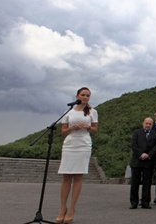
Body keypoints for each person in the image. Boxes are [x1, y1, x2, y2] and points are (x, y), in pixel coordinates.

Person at [57, 87, 99, 224]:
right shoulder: (68, 111)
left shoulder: (93, 112)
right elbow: (63, 131)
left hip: (84, 145)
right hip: (70, 145)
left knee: (78, 176)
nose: (85, 97)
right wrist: (71, 128)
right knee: (66, 176)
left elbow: (95, 130)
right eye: (83, 95)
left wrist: (86, 127)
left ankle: (71, 209)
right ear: (77, 96)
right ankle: (62, 208)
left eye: (88, 95)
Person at [129, 117, 156, 209]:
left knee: (147, 183)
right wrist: (141, 154)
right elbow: (133, 145)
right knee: (135, 183)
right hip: (137, 161)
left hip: (148, 161)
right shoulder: (136, 133)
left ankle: (145, 202)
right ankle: (134, 203)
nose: (148, 125)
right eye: (146, 123)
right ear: (143, 123)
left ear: (152, 125)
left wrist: (148, 155)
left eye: (150, 124)